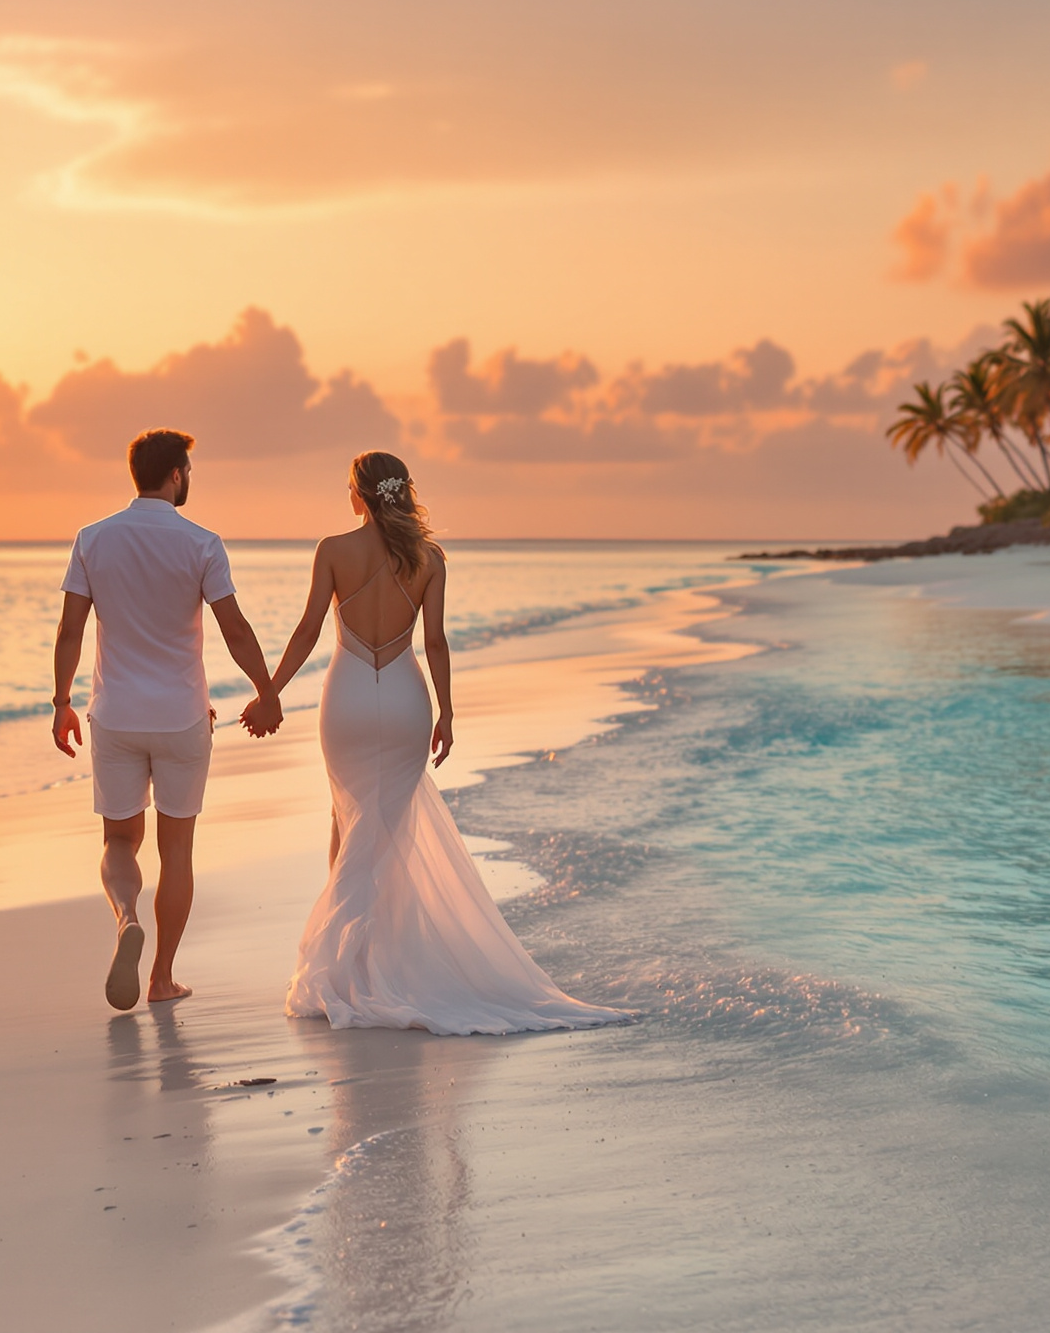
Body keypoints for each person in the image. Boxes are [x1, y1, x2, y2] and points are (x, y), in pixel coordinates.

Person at [249, 451, 633, 1035]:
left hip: (348, 696)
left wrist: (270, 693)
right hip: (407, 698)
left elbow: (306, 630)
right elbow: (435, 643)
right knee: (388, 827)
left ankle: (346, 964)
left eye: (349, 488)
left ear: (360, 494)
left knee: (347, 819)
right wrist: (447, 713)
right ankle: (380, 959)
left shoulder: (332, 549)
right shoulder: (429, 558)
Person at [53, 429, 282, 1011]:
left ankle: (127, 918)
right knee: (176, 850)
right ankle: (161, 978)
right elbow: (235, 629)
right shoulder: (202, 543)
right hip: (182, 718)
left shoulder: (92, 539)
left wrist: (61, 702)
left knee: (120, 839)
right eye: (189, 471)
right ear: (177, 474)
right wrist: (266, 691)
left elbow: (71, 630)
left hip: (116, 717)